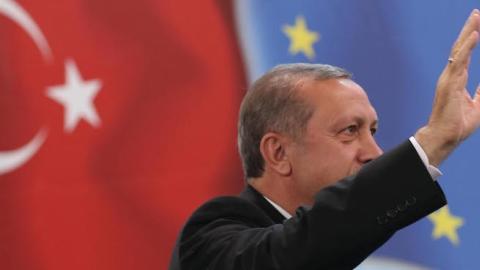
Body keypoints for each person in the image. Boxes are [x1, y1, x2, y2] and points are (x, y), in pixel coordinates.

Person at [169, 9, 480, 270]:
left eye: (371, 131)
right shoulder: (210, 240)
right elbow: (297, 251)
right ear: (278, 152)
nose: (375, 153)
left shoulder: (337, 252)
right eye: (349, 131)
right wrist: (432, 142)